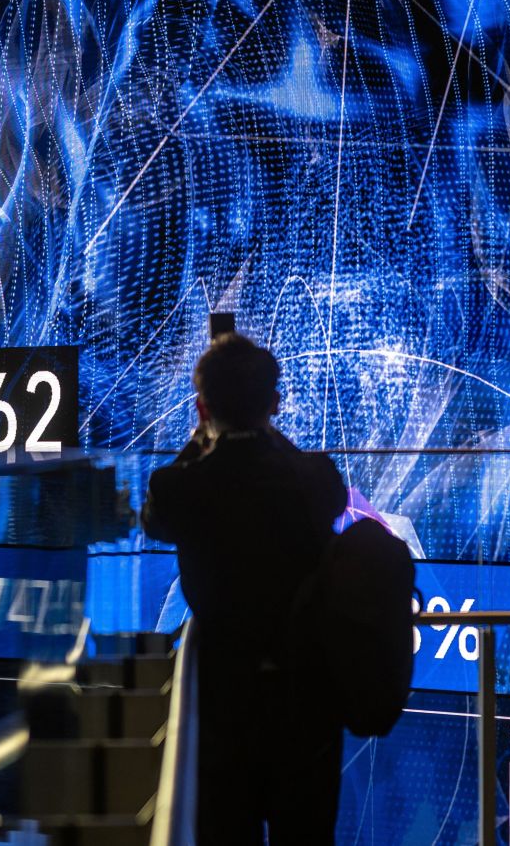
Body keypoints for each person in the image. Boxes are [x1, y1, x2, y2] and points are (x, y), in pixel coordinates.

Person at [140, 333, 348, 844]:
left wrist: (200, 440)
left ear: (202, 406)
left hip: (223, 711)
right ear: (275, 403)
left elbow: (154, 519)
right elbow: (316, 484)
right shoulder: (316, 479)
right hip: (308, 707)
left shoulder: (183, 487)